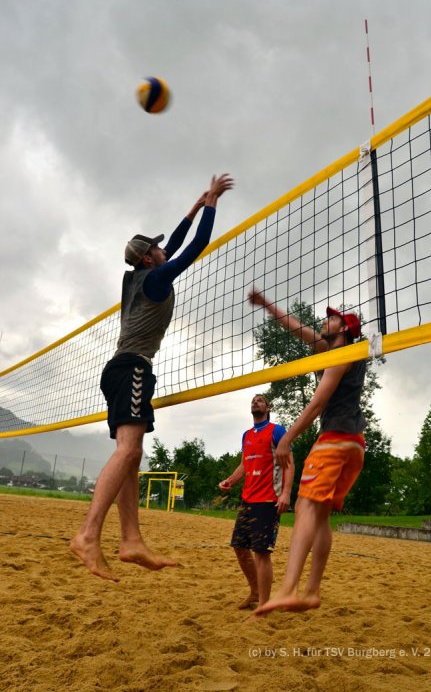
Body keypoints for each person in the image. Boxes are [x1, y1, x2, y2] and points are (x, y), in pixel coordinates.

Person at [70, 174, 234, 581]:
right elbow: (193, 246)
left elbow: (175, 243)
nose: (164, 249)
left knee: (132, 453)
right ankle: (89, 534)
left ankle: (131, 540)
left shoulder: (135, 276)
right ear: (148, 258)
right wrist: (212, 204)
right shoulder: (157, 278)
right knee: (127, 453)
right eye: (157, 248)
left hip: (118, 369)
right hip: (133, 367)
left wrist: (193, 208)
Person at [248, 289, 365, 614]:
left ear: (343, 328)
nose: (324, 321)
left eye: (331, 318)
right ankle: (311, 590)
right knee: (322, 514)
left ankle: (289, 588)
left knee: (305, 508)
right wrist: (269, 305)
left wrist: (287, 439)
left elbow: (319, 401)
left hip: (335, 440)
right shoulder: (329, 351)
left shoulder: (342, 355)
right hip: (355, 444)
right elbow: (295, 327)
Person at [218, 393, 295, 609]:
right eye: (253, 400)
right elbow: (245, 464)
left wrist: (286, 494)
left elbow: (289, 463)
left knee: (261, 553)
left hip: (268, 500)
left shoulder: (277, 431)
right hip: (248, 499)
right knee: (240, 548)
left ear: (268, 408)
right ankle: (255, 592)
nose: (255, 402)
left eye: (260, 400)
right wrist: (230, 481)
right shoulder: (247, 435)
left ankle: (264, 604)